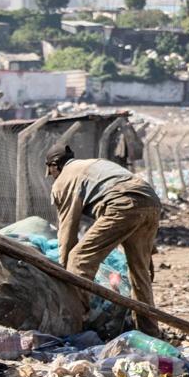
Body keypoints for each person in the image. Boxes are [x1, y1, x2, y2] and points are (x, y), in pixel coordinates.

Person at [46, 143, 161, 337]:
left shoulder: (64, 179)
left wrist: (64, 275)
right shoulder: (93, 164)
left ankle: (76, 326)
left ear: (55, 165)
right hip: (151, 200)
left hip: (123, 203)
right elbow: (137, 199)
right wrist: (146, 253)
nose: (52, 176)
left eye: (51, 171)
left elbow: (67, 232)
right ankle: (149, 333)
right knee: (139, 273)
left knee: (79, 259)